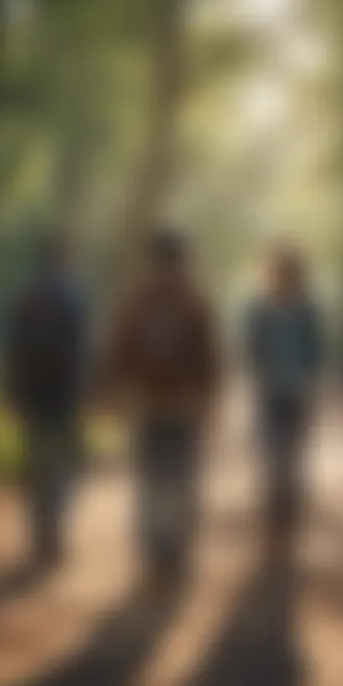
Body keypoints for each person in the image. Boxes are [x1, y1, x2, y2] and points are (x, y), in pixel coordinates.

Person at [102, 228, 219, 585]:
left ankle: (167, 550)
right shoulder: (174, 302)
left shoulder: (154, 301)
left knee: (167, 480)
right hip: (163, 403)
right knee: (164, 479)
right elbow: (121, 351)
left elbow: (208, 357)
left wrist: (207, 398)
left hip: (166, 402)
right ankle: (162, 551)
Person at [4, 234, 88, 569]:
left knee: (36, 459)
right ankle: (56, 527)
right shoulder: (73, 296)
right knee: (67, 461)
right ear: (65, 258)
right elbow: (83, 348)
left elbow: (11, 346)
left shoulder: (25, 297)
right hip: (65, 393)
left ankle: (39, 530)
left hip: (32, 392)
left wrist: (10, 388)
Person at [246, 244, 324, 555]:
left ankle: (288, 528)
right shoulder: (261, 310)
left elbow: (317, 352)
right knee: (272, 463)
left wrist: (311, 385)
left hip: (298, 396)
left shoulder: (308, 311)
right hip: (269, 395)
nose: (285, 275)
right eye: (281, 269)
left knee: (292, 464)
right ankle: (272, 527)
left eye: (290, 270)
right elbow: (251, 349)